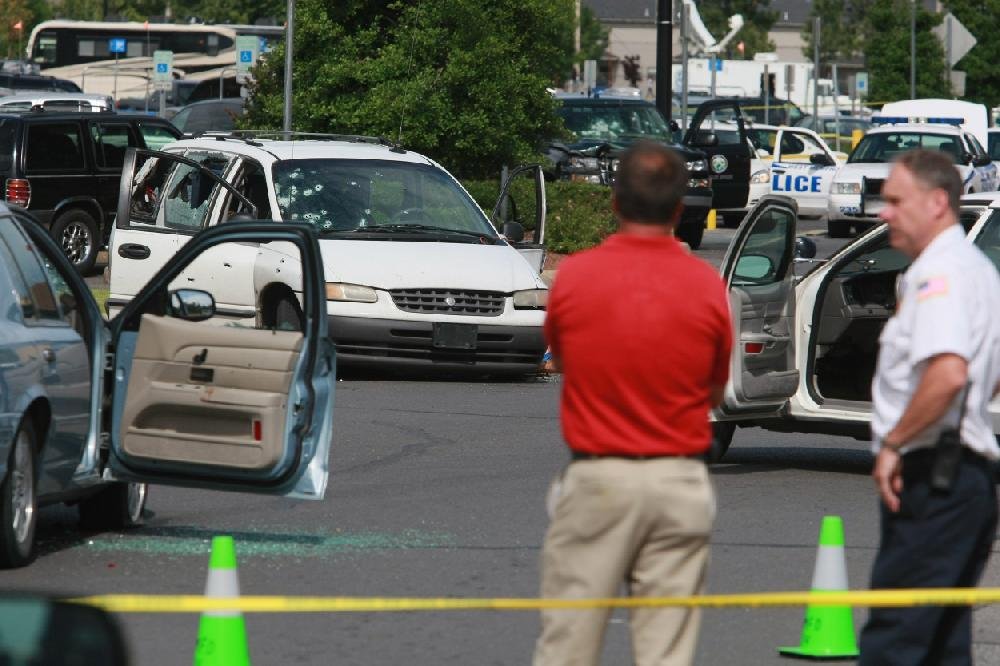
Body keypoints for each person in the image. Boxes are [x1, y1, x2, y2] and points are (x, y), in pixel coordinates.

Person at [533, 140, 733, 666]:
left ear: (616, 202)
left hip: (598, 480)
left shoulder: (576, 276)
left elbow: (564, 359)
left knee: (568, 646)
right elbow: (714, 391)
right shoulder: (705, 286)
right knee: (666, 652)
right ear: (678, 208)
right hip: (678, 483)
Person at [859, 149, 1000, 665]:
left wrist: (895, 444)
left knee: (895, 642)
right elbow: (989, 379)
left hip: (936, 476)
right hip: (964, 477)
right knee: (942, 644)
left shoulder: (937, 275)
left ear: (938, 202)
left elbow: (948, 374)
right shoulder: (978, 270)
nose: (884, 212)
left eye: (896, 200)